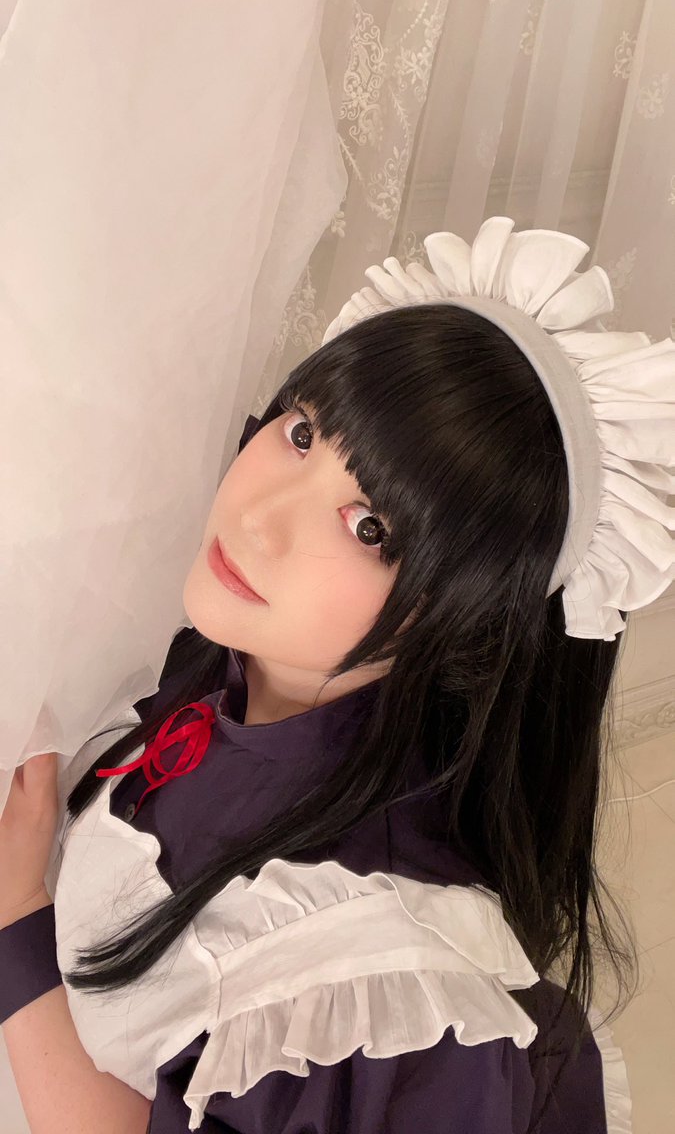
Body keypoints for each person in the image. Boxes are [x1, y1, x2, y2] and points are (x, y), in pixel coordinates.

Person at [3, 216, 674, 1133]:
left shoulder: (377, 991)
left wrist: (16, 909)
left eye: (369, 528)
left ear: (466, 617)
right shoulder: (232, 657)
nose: (260, 517)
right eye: (302, 433)